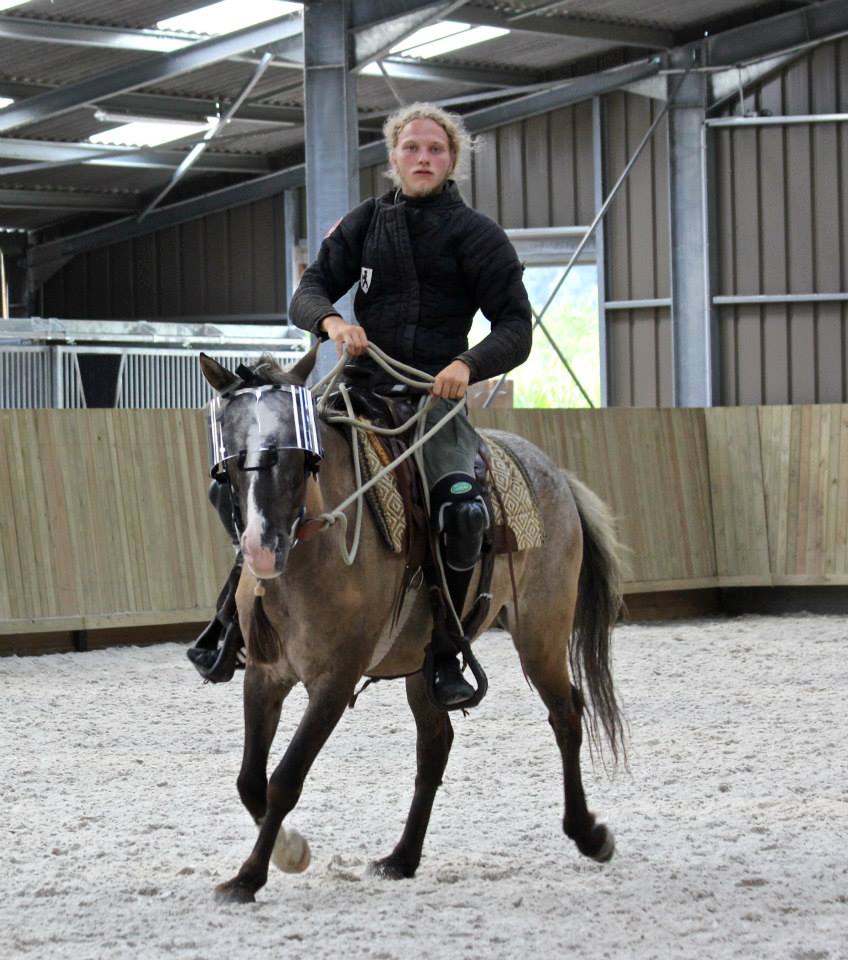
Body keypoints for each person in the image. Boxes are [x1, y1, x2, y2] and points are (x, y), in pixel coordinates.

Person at [288, 103, 532, 707]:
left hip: (433, 400)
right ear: (394, 156)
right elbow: (309, 289)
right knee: (272, 473)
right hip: (356, 391)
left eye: (436, 150)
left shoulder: (479, 235)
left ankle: (447, 650)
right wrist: (330, 321)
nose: (424, 158)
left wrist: (466, 366)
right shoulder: (365, 222)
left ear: (452, 160)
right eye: (412, 148)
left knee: (460, 507)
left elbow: (515, 327)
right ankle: (230, 624)